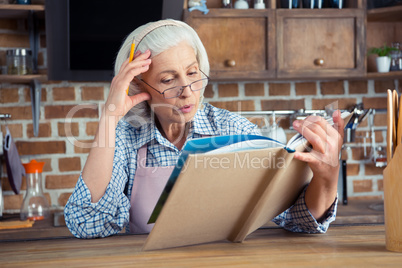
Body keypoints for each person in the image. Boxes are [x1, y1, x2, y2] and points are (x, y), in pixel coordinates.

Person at [64, 19, 345, 238]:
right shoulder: (125, 139)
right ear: (138, 87)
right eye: (167, 80)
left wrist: (327, 178)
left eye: (192, 73)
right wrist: (109, 117)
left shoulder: (231, 128)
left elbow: (297, 219)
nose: (187, 92)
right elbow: (88, 224)